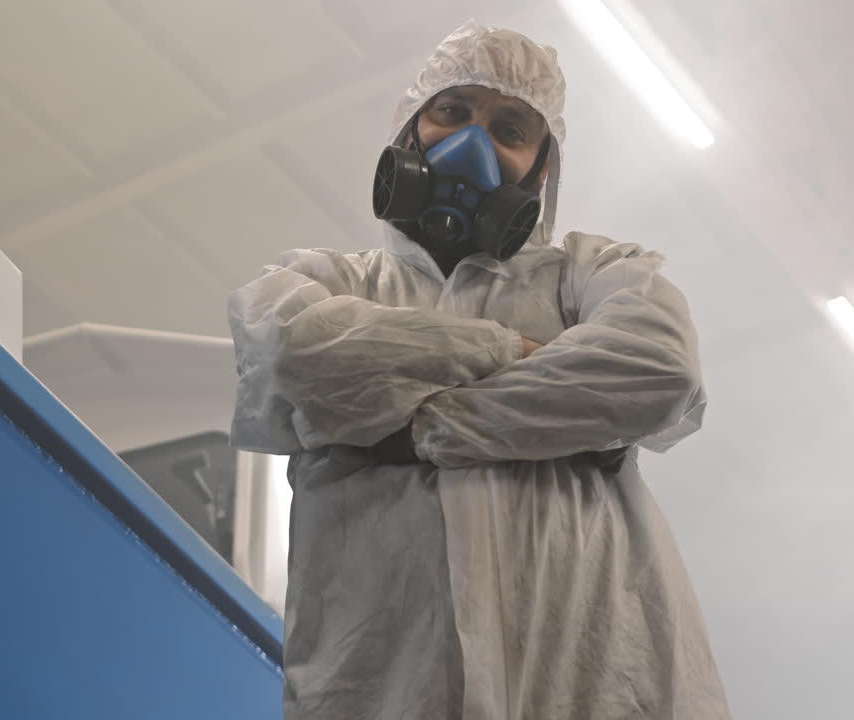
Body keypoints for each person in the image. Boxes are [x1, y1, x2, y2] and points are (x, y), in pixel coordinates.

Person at [227, 20, 730, 719]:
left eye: (510, 128)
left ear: (542, 166)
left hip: (593, 677)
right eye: (453, 112)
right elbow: (290, 351)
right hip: (385, 680)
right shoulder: (330, 281)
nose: (473, 145)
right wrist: (512, 353)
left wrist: (416, 431)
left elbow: (657, 367)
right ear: (410, 128)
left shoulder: (594, 271)